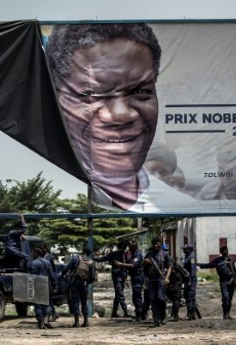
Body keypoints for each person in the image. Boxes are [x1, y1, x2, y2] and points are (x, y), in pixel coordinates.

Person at [46, 23, 161, 210]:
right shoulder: (44, 201)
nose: (121, 114)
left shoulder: (184, 205)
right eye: (92, 95)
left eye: (141, 91)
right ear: (54, 97)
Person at [198, 246, 236, 320]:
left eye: (227, 250)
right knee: (225, 298)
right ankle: (225, 314)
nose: (226, 252)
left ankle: (228, 313)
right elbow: (209, 265)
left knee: (230, 299)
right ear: (221, 252)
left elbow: (234, 271)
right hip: (223, 281)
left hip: (231, 281)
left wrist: (235, 279)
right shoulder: (218, 260)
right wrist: (199, 265)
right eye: (224, 251)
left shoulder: (230, 260)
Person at [94, 241, 130, 318]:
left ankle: (114, 312)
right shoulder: (113, 254)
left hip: (123, 276)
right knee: (119, 293)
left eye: (124, 248)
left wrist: (126, 278)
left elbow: (126, 267)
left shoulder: (125, 255)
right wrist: (92, 258)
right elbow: (101, 259)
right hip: (116, 276)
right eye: (122, 248)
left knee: (118, 295)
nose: (123, 250)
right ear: (118, 248)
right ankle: (125, 312)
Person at [63, 246, 97, 328]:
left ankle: (77, 322)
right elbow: (93, 277)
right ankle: (86, 321)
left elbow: (67, 268)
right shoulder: (91, 263)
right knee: (84, 302)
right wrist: (87, 282)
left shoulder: (76, 258)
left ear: (83, 252)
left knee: (75, 301)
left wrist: (64, 274)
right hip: (84, 284)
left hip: (75, 282)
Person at [143, 238, 172, 327]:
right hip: (151, 280)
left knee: (161, 298)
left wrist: (167, 278)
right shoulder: (149, 254)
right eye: (155, 244)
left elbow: (170, 266)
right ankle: (156, 319)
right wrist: (146, 261)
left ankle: (163, 316)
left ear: (160, 244)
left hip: (161, 279)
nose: (156, 245)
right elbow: (143, 266)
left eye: (158, 244)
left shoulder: (165, 254)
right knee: (153, 299)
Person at [115, 241, 146, 321]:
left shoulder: (137, 254)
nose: (128, 248)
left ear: (134, 246)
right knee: (135, 296)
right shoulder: (131, 254)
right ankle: (141, 313)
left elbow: (133, 265)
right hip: (134, 277)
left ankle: (140, 314)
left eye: (130, 246)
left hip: (138, 276)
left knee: (137, 296)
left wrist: (121, 264)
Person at [30, 248, 56, 330]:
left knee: (38, 304)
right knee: (47, 303)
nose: (32, 254)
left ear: (36, 253)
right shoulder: (47, 262)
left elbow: (32, 276)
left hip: (38, 284)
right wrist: (55, 285)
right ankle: (46, 320)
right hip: (47, 284)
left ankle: (41, 322)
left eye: (33, 253)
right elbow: (52, 275)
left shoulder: (33, 263)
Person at [181, 243, 200, 320]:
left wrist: (189, 280)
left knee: (190, 296)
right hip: (187, 279)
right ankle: (192, 314)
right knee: (186, 295)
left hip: (191, 279)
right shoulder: (187, 256)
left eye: (185, 249)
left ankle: (190, 314)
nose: (183, 250)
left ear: (189, 249)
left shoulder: (192, 257)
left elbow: (192, 271)